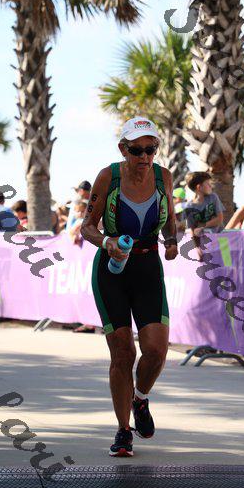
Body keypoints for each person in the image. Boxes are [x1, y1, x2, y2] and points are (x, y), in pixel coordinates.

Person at [81, 116, 178, 457]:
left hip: (148, 267)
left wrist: (172, 241)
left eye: (151, 149)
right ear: (123, 149)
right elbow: (86, 227)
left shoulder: (163, 176)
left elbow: (170, 218)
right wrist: (107, 242)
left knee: (156, 351)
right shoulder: (109, 176)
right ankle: (123, 430)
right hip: (112, 270)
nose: (145, 156)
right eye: (137, 150)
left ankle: (140, 399)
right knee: (123, 353)